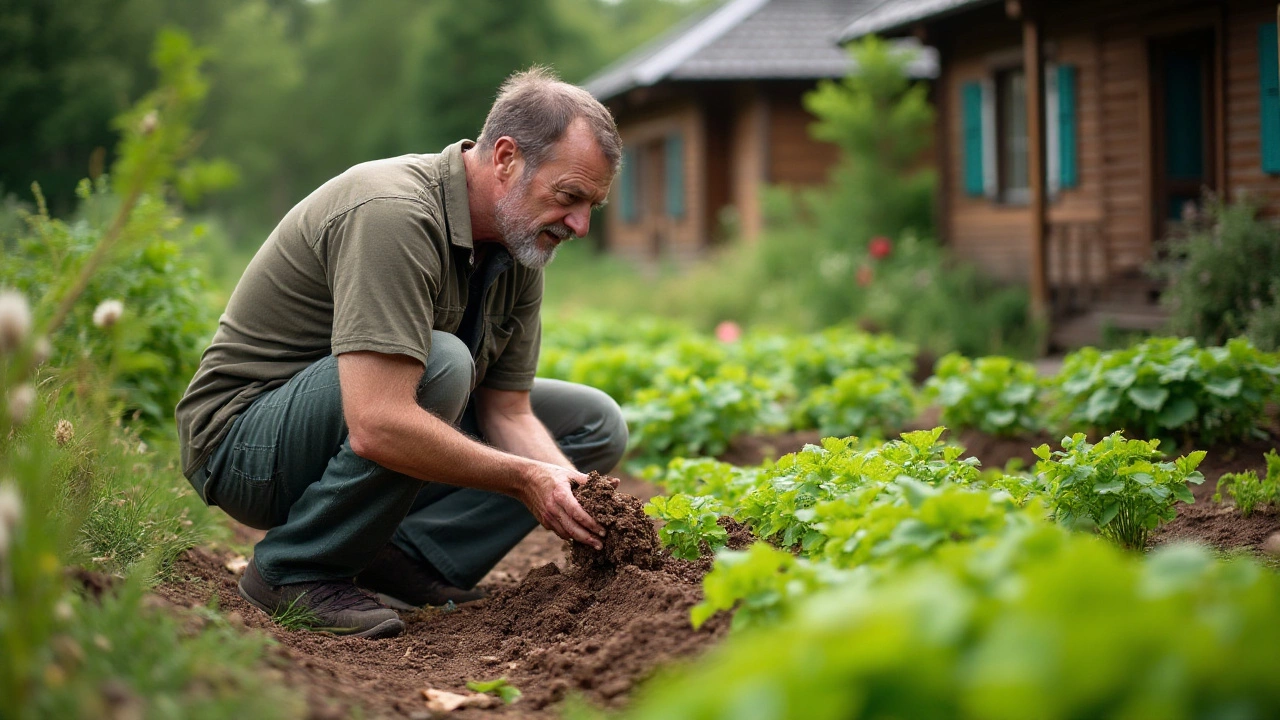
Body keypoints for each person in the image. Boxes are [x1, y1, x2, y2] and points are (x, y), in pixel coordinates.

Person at [175, 68, 627, 639]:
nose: (581, 225)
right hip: (244, 447)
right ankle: (295, 568)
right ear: (506, 159)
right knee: (442, 364)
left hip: (350, 427)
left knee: (593, 425)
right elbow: (376, 423)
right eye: (570, 197)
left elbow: (508, 411)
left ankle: (404, 559)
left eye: (593, 205)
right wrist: (523, 480)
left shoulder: (520, 246)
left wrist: (575, 498)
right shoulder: (393, 213)